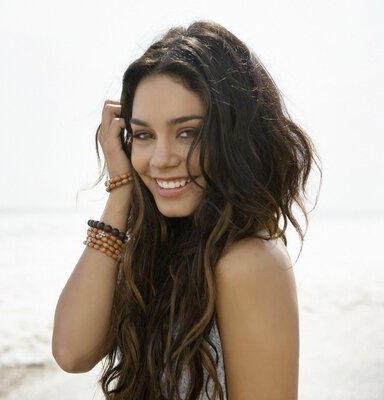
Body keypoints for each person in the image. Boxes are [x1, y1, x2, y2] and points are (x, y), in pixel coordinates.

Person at [52, 20, 321, 400]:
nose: (161, 160)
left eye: (187, 132)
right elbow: (71, 352)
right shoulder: (166, 249)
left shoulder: (249, 263)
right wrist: (120, 191)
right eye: (144, 135)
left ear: (234, 135)